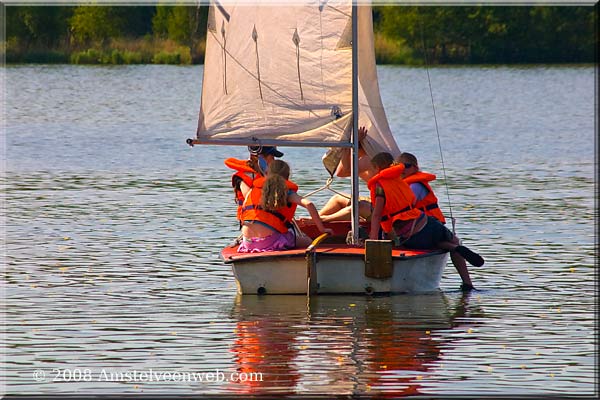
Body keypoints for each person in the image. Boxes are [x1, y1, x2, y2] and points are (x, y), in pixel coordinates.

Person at [367, 152, 484, 291]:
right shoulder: (398, 181)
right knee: (452, 241)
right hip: (427, 223)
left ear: (376, 167)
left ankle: (454, 248)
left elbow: (377, 216)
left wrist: (373, 242)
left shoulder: (383, 186)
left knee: (432, 241)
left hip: (411, 234)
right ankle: (467, 282)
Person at [238, 160, 333, 253]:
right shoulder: (286, 191)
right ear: (287, 177)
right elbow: (309, 204)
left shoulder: (253, 189)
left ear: (267, 173)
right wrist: (322, 229)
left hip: (248, 242)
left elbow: (244, 209)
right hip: (270, 241)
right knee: (308, 242)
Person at [225, 146, 284, 224]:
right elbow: (250, 198)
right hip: (252, 223)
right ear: (259, 158)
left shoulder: (265, 176)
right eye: (272, 157)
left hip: (270, 222)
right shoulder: (243, 177)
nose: (274, 161)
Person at [397, 152, 446, 224]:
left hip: (431, 222)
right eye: (399, 166)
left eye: (406, 166)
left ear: (415, 168)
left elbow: (406, 207)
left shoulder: (415, 185)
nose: (402, 169)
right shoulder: (406, 184)